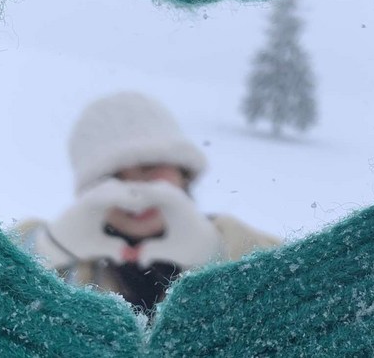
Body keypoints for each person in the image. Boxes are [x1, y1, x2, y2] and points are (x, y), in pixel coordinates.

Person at [17, 91, 280, 316]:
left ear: (183, 172)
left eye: (149, 167)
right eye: (111, 177)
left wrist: (221, 256)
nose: (134, 190)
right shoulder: (62, 265)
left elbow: (308, 297)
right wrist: (41, 251)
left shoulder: (241, 243)